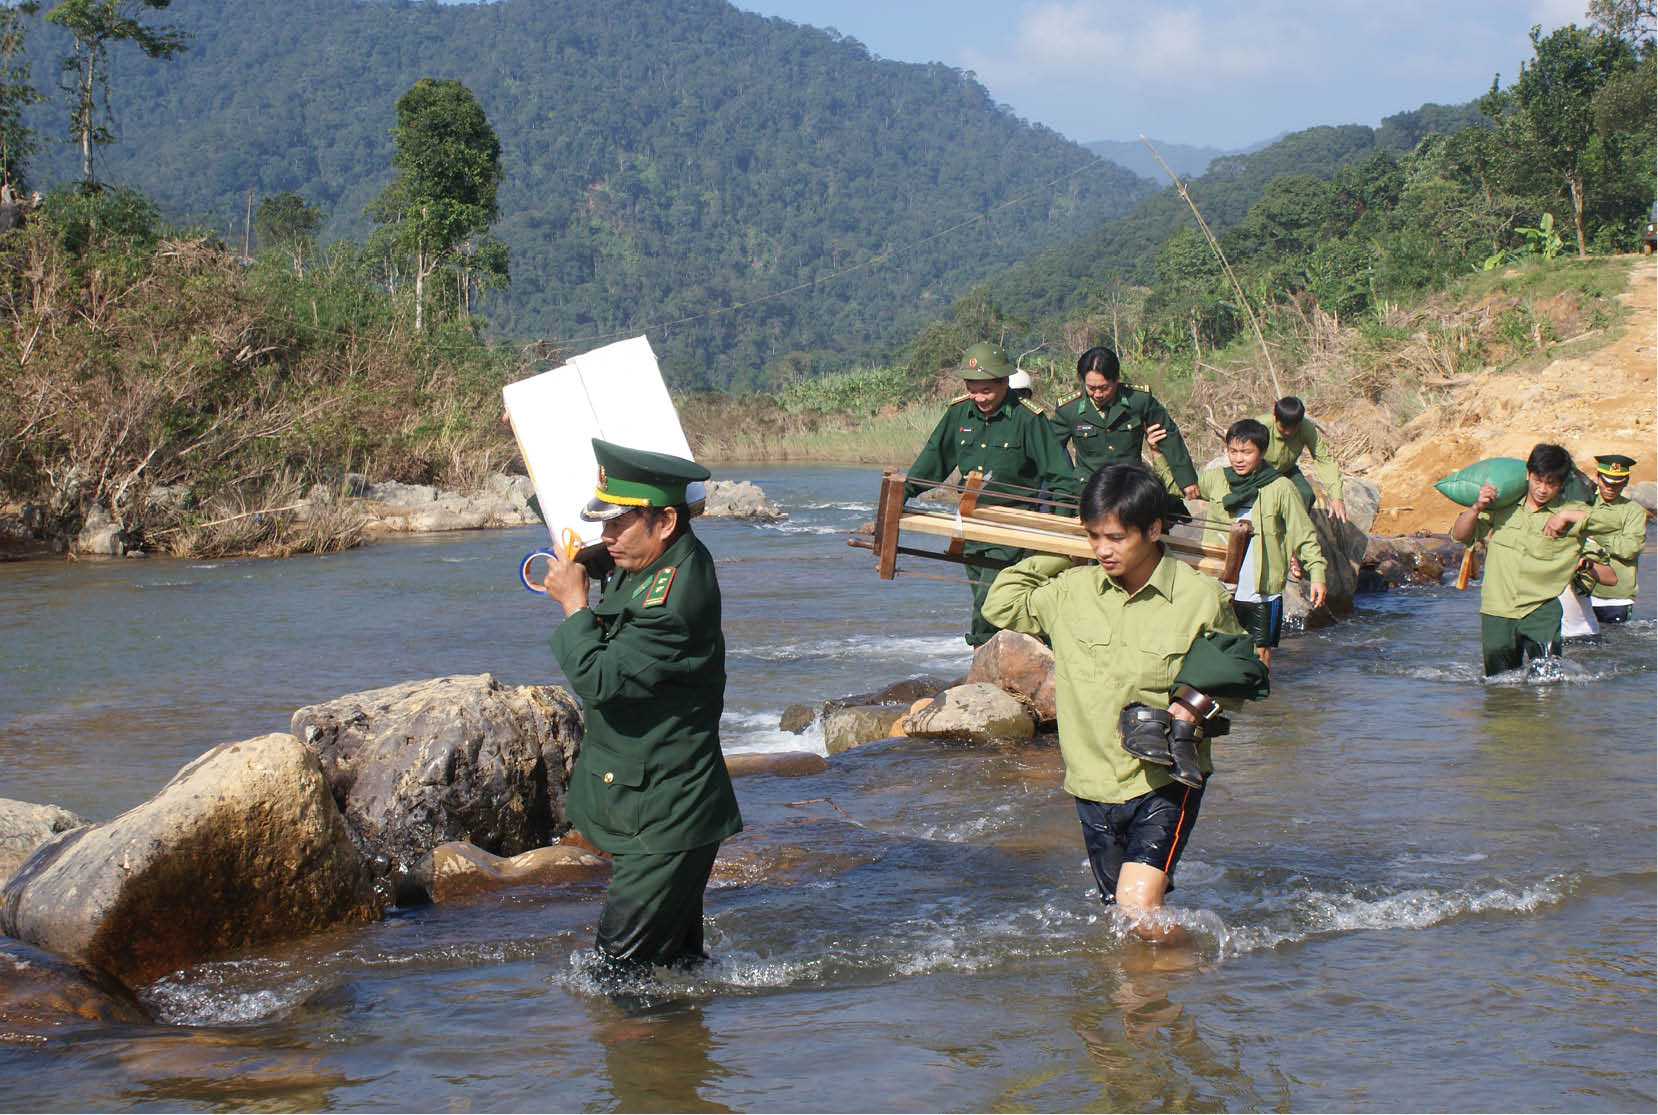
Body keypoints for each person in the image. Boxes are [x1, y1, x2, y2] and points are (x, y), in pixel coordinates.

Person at [982, 463, 1269, 941]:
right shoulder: (1068, 593)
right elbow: (1001, 605)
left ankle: (1196, 989)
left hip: (1164, 780)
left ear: (1154, 529)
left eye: (1114, 537)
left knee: (1137, 906)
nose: (1102, 550)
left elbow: (1241, 672)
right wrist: (1060, 551)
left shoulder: (1200, 598)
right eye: (1092, 537)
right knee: (1126, 920)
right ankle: (1172, 985)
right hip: (1091, 781)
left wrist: (1192, 706)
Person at [540, 438, 742, 977]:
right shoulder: (662, 552)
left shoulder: (671, 600)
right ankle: (685, 1056)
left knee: (613, 977)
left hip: (663, 816)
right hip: (662, 806)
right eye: (602, 524)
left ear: (666, 520)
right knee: (675, 972)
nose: (606, 538)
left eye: (617, 525)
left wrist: (574, 605)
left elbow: (599, 678)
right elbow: (612, 551)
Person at [905, 341, 1080, 646]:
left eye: (987, 391)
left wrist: (1060, 531)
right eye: (973, 389)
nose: (979, 398)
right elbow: (933, 460)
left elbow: (1061, 478)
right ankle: (1015, 652)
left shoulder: (1029, 418)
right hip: (971, 525)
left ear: (1004, 383)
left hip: (1014, 526)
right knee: (982, 590)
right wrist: (901, 493)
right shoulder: (959, 414)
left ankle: (981, 650)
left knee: (990, 597)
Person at [1449, 443, 1616, 676]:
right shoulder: (1502, 507)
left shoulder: (1571, 512)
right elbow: (1459, 535)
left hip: (1541, 609)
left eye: (1551, 484)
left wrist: (1567, 515)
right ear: (1528, 475)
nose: (1542, 489)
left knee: (1548, 682)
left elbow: (1616, 522)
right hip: (1498, 609)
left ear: (1562, 484)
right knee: (1499, 685)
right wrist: (1476, 507)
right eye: (1538, 480)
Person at [1192, 418, 1328, 665]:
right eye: (1233, 451)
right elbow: (1178, 487)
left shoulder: (1280, 487)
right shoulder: (1215, 480)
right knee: (1217, 648)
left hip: (1262, 589)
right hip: (1219, 585)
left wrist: (1317, 573)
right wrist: (1158, 452)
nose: (1238, 459)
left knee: (1260, 652)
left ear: (1262, 452)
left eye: (1246, 452)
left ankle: (1262, 701)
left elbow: (1303, 532)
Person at [1050, 347, 1201, 502]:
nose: (1097, 394)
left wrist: (1186, 480)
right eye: (1091, 388)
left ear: (1116, 379)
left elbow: (1168, 434)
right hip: (1089, 491)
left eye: (1103, 388)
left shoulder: (1138, 400)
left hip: (1131, 489)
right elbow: (1047, 447)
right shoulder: (1069, 409)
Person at [1557, 453, 1645, 625]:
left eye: (1618, 483)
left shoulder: (1634, 511)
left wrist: (1596, 531)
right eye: (1606, 482)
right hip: (1579, 591)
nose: (1611, 488)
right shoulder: (1583, 504)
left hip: (1615, 598)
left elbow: (1630, 549)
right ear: (1597, 477)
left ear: (1626, 482)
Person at [1260, 397, 1346, 521]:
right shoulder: (1261, 425)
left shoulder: (1306, 428)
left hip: (1287, 470)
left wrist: (1337, 497)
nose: (1288, 432)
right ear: (1275, 417)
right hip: (1261, 471)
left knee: (1306, 494)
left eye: (1293, 427)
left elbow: (1325, 460)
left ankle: (1295, 532)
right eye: (1284, 427)